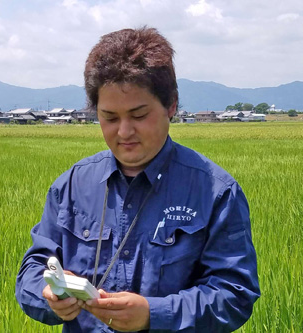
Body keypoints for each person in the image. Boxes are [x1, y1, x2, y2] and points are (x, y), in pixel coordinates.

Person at [15, 27, 260, 332]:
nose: (124, 132)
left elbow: (235, 294)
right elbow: (34, 269)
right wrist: (47, 294)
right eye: (110, 117)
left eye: (139, 115)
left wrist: (152, 314)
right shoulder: (72, 186)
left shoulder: (215, 191)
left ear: (171, 105)